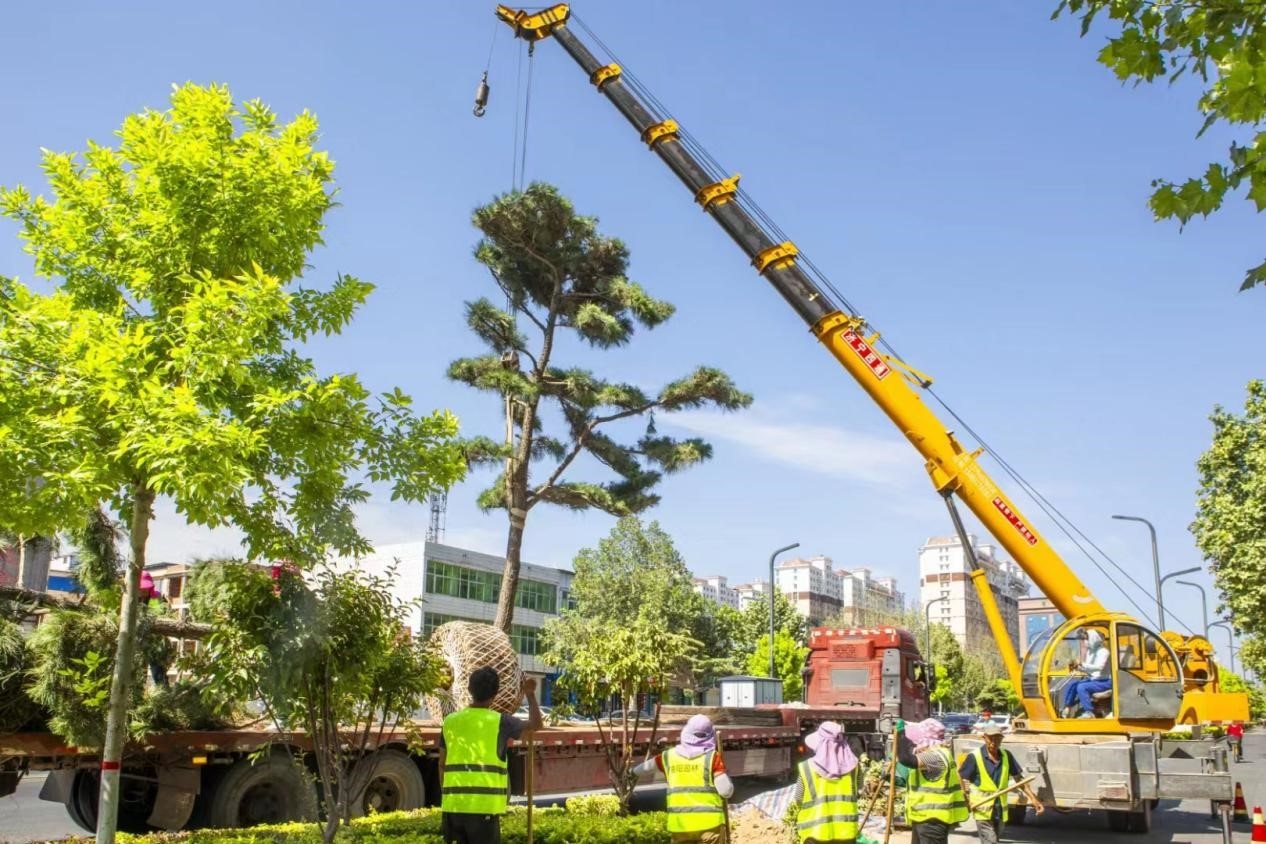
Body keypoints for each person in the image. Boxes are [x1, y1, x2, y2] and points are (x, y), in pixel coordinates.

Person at [438, 666, 543, 844]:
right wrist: (530, 694)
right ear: (495, 694)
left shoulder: (450, 722)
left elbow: (441, 764)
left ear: (469, 689)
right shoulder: (500, 722)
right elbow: (536, 724)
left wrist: (449, 795)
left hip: (453, 807)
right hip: (483, 809)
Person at [633, 713, 732, 843]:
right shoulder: (712, 758)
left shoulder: (668, 757)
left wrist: (631, 773)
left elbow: (645, 768)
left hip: (680, 827)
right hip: (710, 826)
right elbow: (725, 791)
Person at [958, 724, 1043, 844]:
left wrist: (1034, 800)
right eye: (991, 738)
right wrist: (965, 797)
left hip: (1000, 810)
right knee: (991, 841)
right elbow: (961, 776)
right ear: (985, 738)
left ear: (1002, 739)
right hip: (982, 809)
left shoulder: (1006, 755)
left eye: (998, 738)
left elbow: (1019, 779)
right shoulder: (974, 757)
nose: (994, 741)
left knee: (995, 839)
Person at [897, 717, 969, 844]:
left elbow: (906, 759)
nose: (916, 744)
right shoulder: (938, 754)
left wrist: (901, 735)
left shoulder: (936, 757)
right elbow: (924, 781)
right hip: (924, 818)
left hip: (932, 820)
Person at [791, 721, 859, 844]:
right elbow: (858, 790)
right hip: (846, 834)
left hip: (815, 834)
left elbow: (798, 799)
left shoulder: (807, 768)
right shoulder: (854, 768)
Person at [1060, 630, 1110, 718]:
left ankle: (1089, 712)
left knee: (1082, 687)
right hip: (1095, 680)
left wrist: (1082, 664)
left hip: (1105, 681)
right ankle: (1067, 708)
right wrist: (1078, 667)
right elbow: (1090, 670)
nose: (1084, 642)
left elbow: (1099, 667)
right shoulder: (1090, 652)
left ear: (1093, 639)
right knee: (1073, 684)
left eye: (1086, 639)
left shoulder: (1103, 651)